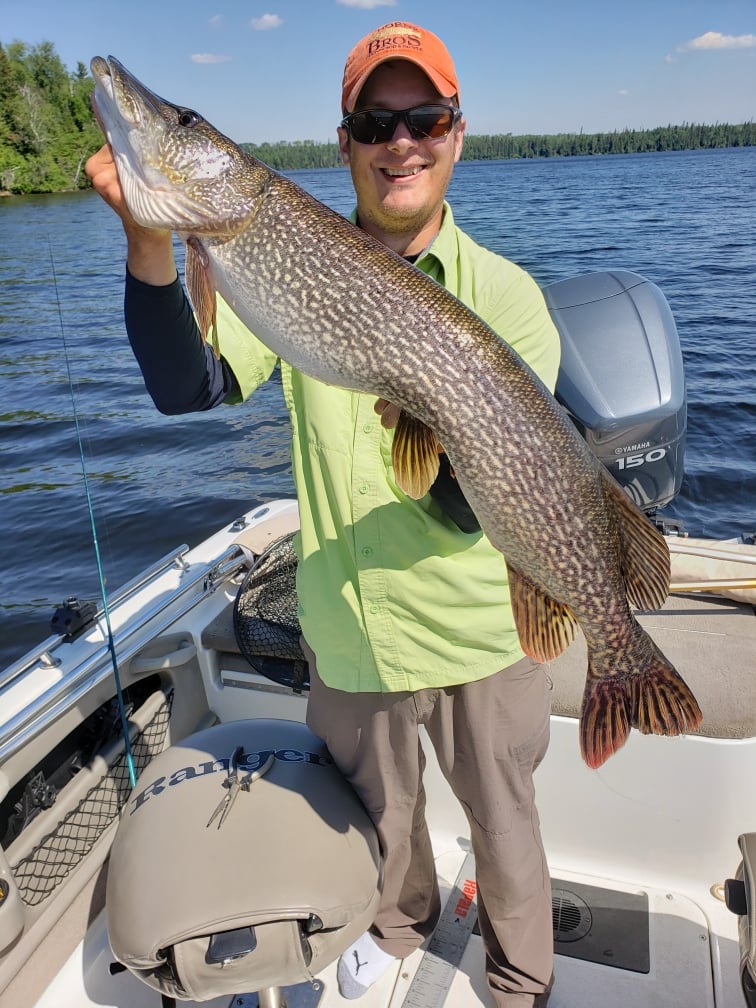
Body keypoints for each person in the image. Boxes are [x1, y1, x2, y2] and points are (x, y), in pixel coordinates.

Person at [87, 21, 560, 1007]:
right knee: (387, 828)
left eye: (424, 118)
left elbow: (478, 516)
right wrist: (148, 240)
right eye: (375, 123)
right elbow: (188, 384)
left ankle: (522, 979)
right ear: (343, 142)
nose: (402, 142)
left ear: (456, 134)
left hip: (477, 633)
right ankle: (402, 925)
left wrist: (422, 431)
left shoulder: (508, 300)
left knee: (508, 829)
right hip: (349, 639)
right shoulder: (267, 251)